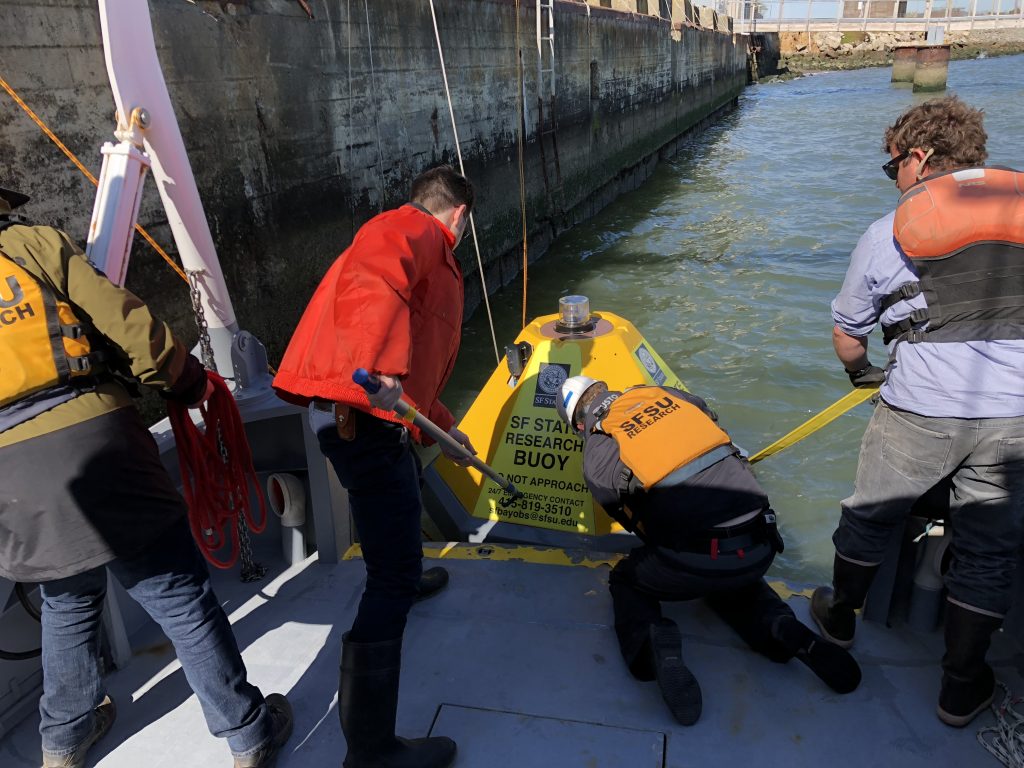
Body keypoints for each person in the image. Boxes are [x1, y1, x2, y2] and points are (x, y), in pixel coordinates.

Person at [0, 187, 293, 767]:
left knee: (66, 597)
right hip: (95, 439)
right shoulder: (28, 244)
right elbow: (125, 321)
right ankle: (246, 732)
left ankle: (62, 741)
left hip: (11, 474)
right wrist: (186, 383)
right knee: (175, 594)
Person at [811, 96, 1024, 728]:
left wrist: (862, 374)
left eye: (892, 167)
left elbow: (849, 332)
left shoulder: (887, 234)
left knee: (871, 514)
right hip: (1016, 419)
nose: (893, 180)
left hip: (919, 407)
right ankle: (960, 687)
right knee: (989, 553)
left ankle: (841, 619)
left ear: (919, 158)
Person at [272, 165, 476, 768]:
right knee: (389, 576)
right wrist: (377, 364)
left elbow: (419, 363)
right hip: (357, 414)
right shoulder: (408, 231)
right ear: (459, 215)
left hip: (366, 412)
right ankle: (371, 750)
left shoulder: (422, 250)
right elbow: (373, 276)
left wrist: (442, 420)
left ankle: (407, 577)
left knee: (403, 492)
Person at [555, 375, 861, 725]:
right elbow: (707, 413)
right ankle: (781, 628)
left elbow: (634, 522)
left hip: (698, 559)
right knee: (730, 572)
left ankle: (650, 649)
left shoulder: (596, 451)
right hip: (761, 541)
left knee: (630, 577)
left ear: (580, 424)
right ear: (605, 388)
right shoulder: (657, 393)